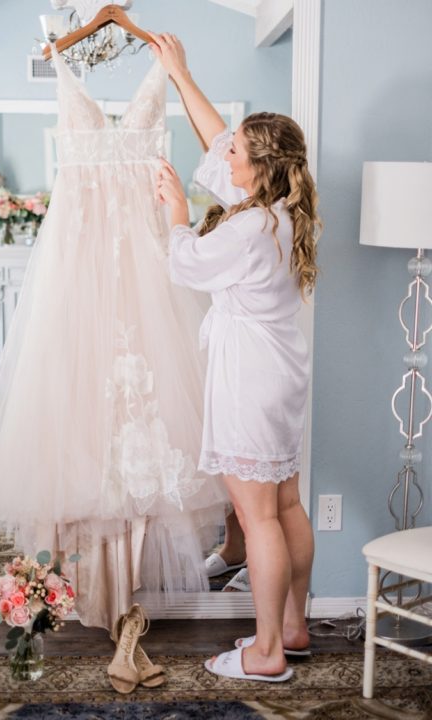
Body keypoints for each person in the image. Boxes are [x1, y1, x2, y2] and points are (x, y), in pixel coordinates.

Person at [150, 31, 320, 682]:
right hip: (281, 374)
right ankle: (296, 627)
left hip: (250, 377)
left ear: (256, 166)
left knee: (257, 518)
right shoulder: (280, 211)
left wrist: (174, 212)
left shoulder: (247, 227)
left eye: (238, 151)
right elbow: (220, 135)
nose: (226, 154)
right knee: (284, 506)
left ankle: (268, 651)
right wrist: (180, 74)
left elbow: (186, 264)